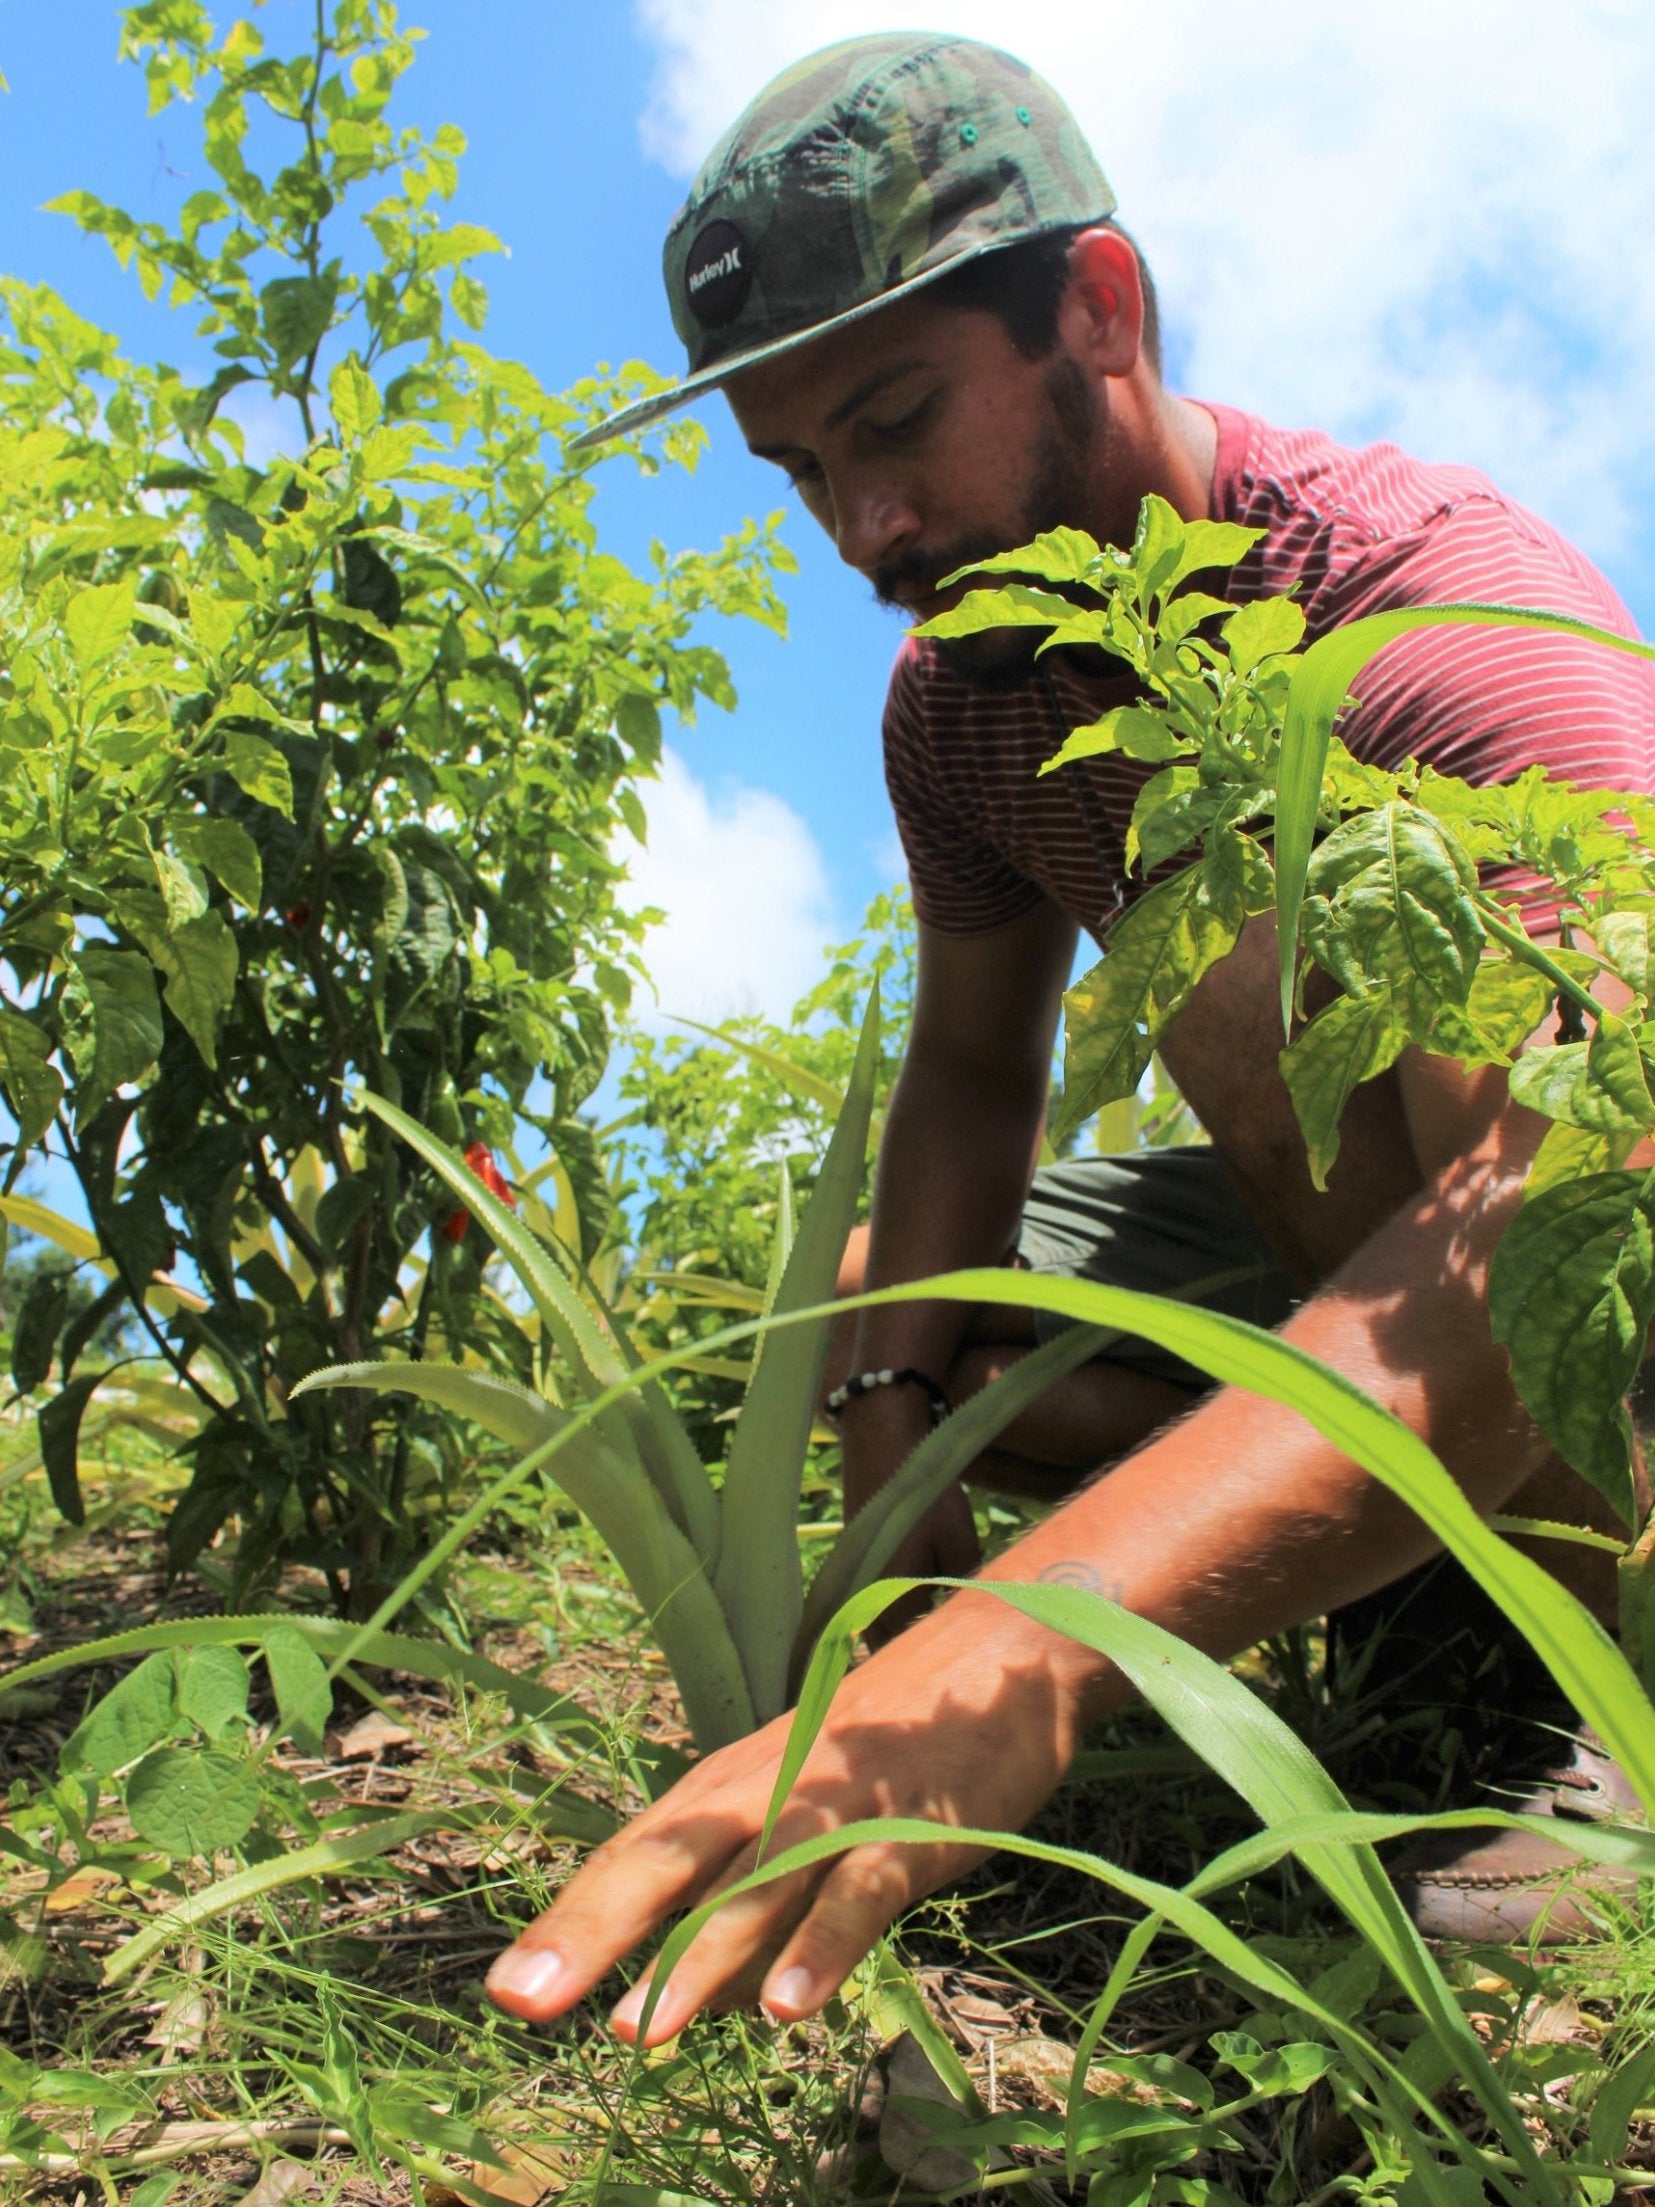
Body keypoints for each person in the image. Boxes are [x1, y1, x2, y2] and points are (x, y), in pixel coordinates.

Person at [486, 33, 1655, 2041]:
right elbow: (966, 1078)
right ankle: (1385, 1573)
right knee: (890, 1308)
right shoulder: (966, 701)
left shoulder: (1426, 612)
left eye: (895, 422)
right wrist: (894, 1448)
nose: (861, 531)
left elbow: (1591, 1181)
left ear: (1098, 311)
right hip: (1326, 1254)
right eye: (800, 475)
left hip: (1559, 1238)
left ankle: (1586, 1694)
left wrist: (1011, 1661)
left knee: (1481, 1066)